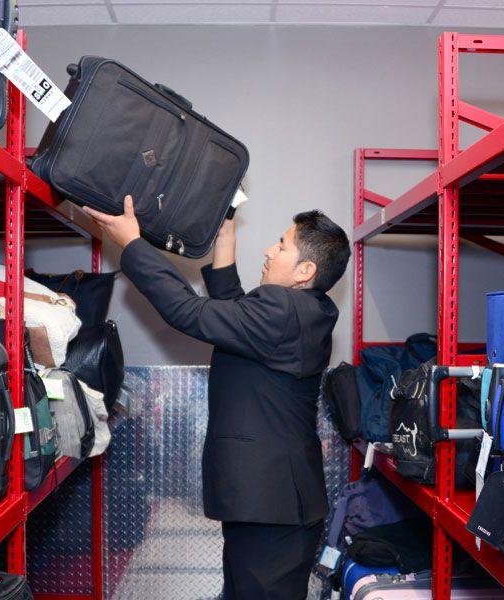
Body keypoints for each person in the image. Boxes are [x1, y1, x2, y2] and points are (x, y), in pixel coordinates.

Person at [84, 195, 351, 599]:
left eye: (281, 245)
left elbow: (187, 311)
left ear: (305, 270)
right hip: (270, 503)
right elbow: (236, 319)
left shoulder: (284, 312)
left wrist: (132, 244)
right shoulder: (300, 311)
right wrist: (224, 239)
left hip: (272, 505)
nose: (269, 249)